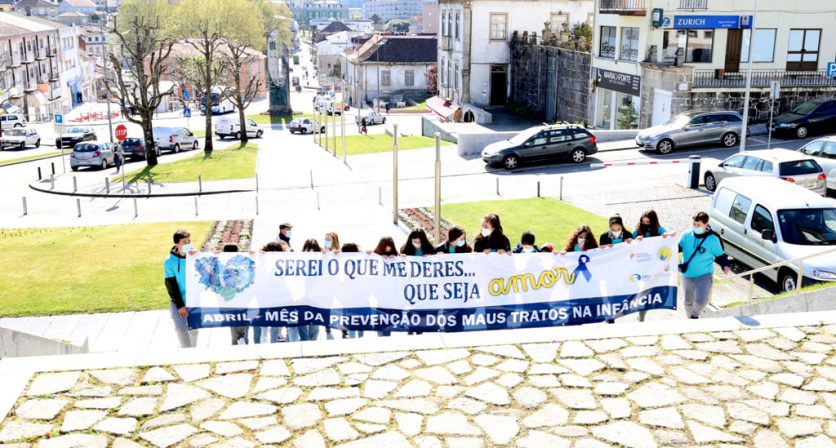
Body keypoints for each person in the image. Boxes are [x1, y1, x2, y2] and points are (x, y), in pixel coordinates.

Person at [679, 211, 731, 319]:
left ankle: (694, 315)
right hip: (687, 274)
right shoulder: (685, 235)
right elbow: (676, 248)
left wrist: (725, 266)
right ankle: (690, 321)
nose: (695, 226)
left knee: (703, 299)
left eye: (699, 225)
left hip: (704, 275)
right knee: (687, 301)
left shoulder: (713, 239)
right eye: (694, 224)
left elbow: (720, 255)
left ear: (706, 224)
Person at [164, 229, 197, 348]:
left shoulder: (195, 257)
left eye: (189, 241)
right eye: (184, 242)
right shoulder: (169, 262)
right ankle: (187, 355)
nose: (188, 244)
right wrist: (180, 305)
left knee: (194, 331)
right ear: (176, 244)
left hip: (194, 302)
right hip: (179, 304)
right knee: (181, 331)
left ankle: (194, 355)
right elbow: (171, 285)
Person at [253, 241, 285, 344]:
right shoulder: (261, 259)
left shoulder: (283, 260)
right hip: (263, 293)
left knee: (276, 316)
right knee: (264, 314)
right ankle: (264, 335)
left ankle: (274, 338)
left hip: (277, 292)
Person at [221, 243, 250, 345]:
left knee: (234, 324)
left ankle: (237, 341)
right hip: (237, 300)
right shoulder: (241, 264)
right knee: (240, 321)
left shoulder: (223, 265)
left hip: (232, 300)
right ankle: (240, 338)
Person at [340, 243, 364, 338]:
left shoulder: (360, 260)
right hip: (351, 296)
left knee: (351, 318)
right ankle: (355, 337)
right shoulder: (342, 261)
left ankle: (353, 337)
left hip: (352, 295)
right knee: (357, 318)